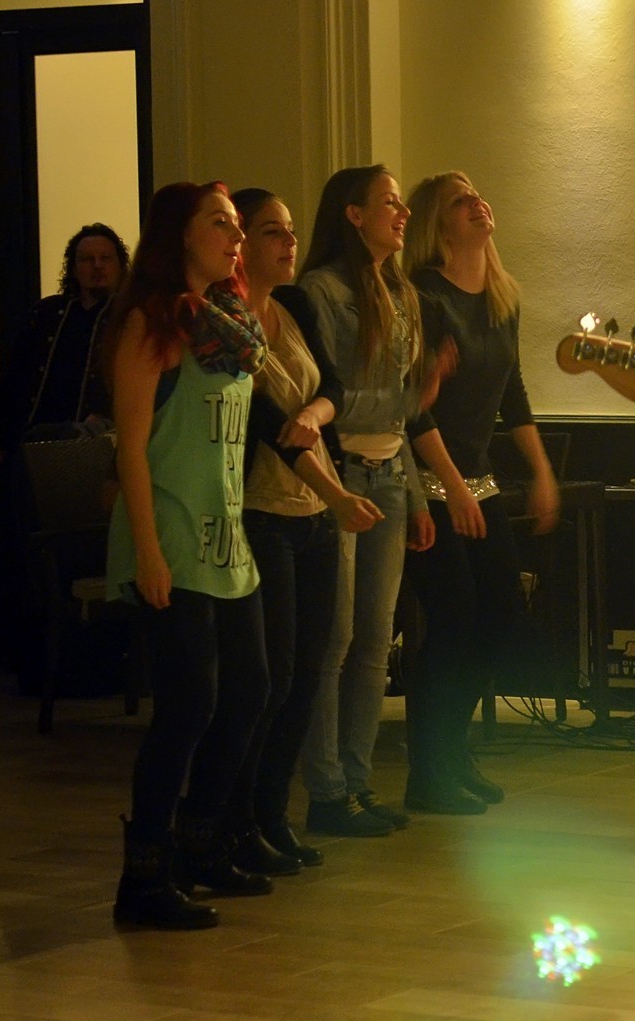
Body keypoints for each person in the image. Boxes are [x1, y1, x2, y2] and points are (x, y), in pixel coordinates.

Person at [105, 181, 271, 930]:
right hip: (170, 535)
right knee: (188, 706)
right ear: (179, 235)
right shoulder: (151, 323)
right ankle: (143, 874)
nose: (236, 238)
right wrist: (147, 551)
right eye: (221, 224)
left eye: (237, 226)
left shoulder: (229, 323)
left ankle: (200, 841)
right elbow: (131, 447)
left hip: (226, 538)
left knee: (249, 691)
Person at [295, 165, 460, 837]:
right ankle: (326, 789)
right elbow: (329, 398)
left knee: (374, 641)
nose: (402, 213)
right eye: (389, 203)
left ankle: (358, 785)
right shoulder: (321, 290)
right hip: (338, 476)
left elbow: (401, 418)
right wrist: (412, 396)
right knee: (333, 639)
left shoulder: (403, 292)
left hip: (390, 475)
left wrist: (418, 496)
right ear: (354, 215)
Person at [225, 187, 384, 873]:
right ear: (242, 245)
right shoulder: (226, 323)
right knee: (272, 677)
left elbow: (334, 389)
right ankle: (238, 820)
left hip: (312, 513)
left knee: (308, 675)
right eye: (271, 232)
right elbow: (269, 427)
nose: (289, 243)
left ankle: (271, 816)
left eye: (290, 230)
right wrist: (339, 494)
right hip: (263, 509)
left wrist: (317, 414)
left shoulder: (291, 306)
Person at [400, 171, 560, 814]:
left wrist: (541, 471)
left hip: (478, 477)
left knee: (500, 614)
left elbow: (512, 393)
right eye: (460, 201)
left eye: (478, 195)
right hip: (428, 479)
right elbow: (413, 404)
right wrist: (452, 487)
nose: (478, 204)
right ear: (437, 223)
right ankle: (427, 769)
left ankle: (450, 749)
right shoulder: (423, 295)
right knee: (453, 618)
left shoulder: (501, 298)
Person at [0, 223, 128, 467]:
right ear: (74, 269)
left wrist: (103, 413)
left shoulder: (129, 318)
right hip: (29, 441)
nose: (97, 265)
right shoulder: (46, 313)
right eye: (87, 259)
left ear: (120, 266)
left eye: (106, 258)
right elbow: (10, 377)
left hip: (94, 446)